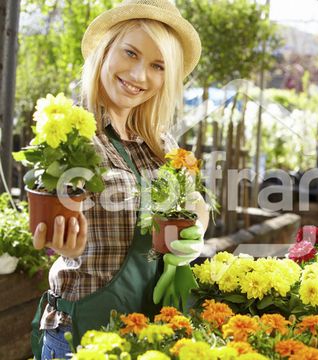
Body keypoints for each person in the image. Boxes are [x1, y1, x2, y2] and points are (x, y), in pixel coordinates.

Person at [30, 1, 208, 359]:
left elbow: (196, 202)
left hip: (149, 333)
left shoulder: (159, 142)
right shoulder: (72, 134)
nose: (140, 75)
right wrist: (64, 245)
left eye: (158, 66)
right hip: (81, 336)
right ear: (106, 49)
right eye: (131, 53)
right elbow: (50, 217)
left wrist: (195, 234)